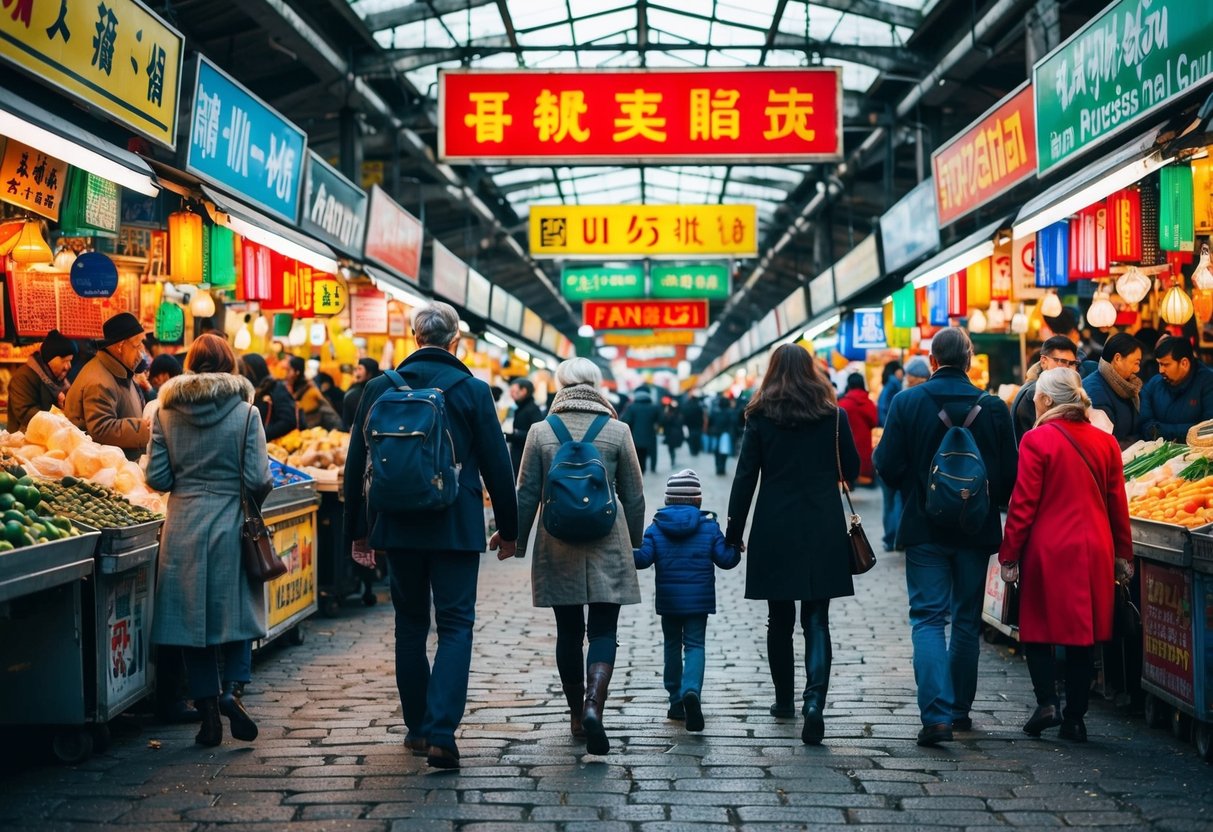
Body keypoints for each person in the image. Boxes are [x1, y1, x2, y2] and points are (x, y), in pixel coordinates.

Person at [343, 302, 519, 770]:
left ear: (415, 338)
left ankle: (417, 729)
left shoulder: (379, 387)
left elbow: (355, 466)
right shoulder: (473, 390)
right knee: (456, 625)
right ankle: (443, 732)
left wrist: (359, 531)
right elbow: (499, 466)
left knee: (410, 625)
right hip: (455, 525)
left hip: (397, 525)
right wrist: (510, 529)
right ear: (455, 341)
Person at [872, 327, 1017, 747]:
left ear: (932, 361)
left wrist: (917, 492)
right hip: (976, 531)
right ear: (969, 359)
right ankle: (959, 712)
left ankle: (935, 717)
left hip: (924, 529)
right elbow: (1009, 475)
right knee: (967, 621)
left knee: (928, 618)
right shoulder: (993, 408)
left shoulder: (906, 402)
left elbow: (886, 465)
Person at [725, 344, 860, 746]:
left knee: (778, 619)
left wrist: (734, 533)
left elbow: (745, 477)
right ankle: (814, 701)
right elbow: (850, 468)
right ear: (813, 372)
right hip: (822, 523)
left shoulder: (759, 416)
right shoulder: (834, 416)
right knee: (817, 619)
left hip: (774, 524)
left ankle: (784, 701)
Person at [145, 333, 273, 748]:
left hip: (182, 526)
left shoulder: (165, 412)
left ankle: (207, 718)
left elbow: (157, 478)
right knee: (237, 616)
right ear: (229, 364)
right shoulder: (246, 412)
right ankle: (232, 693)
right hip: (231, 524)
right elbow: (257, 479)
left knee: (190, 622)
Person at [512, 357, 645, 755]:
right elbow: (634, 494)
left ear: (560, 385)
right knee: (604, 631)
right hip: (609, 538)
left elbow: (526, 493)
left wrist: (516, 542)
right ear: (596, 385)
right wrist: (633, 543)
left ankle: (575, 715)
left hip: (557, 540)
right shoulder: (617, 430)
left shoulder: (540, 431)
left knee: (569, 631)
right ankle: (594, 706)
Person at [998, 368, 1133, 743]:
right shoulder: (1105, 443)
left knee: (1038, 630)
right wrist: (1124, 553)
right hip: (1094, 549)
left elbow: (1023, 505)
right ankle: (1075, 717)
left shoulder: (1036, 440)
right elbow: (1116, 504)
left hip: (1049, 549)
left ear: (1046, 400)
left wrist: (1009, 554)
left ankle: (1047, 704)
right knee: (1082, 635)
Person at [634, 468, 739, 732]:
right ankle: (691, 690)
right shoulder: (709, 526)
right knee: (694, 645)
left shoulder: (656, 527)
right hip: (698, 602)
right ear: (698, 500)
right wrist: (735, 547)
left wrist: (626, 546)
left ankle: (675, 701)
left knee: (671, 645)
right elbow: (726, 561)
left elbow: (642, 559)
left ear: (668, 500)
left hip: (669, 602)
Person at [64, 312, 152, 461]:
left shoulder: (120, 370)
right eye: (137, 345)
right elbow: (101, 428)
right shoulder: (99, 382)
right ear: (120, 346)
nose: (141, 352)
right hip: (104, 471)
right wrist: (144, 429)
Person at [1140, 335, 1213, 441]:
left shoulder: (1208, 383)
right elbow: (1145, 425)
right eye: (1159, 364)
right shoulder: (1153, 384)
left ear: (1184, 363)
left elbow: (1207, 430)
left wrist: (1161, 430)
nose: (1161, 370)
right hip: (1157, 452)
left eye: (1166, 365)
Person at [1011, 335, 1080, 444]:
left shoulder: (1042, 388)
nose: (1067, 369)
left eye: (1072, 364)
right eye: (1061, 361)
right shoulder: (1035, 394)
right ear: (1043, 361)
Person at [7, 330, 76, 432]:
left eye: (70, 361)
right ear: (51, 359)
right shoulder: (23, 377)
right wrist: (60, 417)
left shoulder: (59, 378)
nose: (68, 366)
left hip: (51, 435)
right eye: (65, 361)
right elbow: (25, 413)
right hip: (23, 439)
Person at [1082, 333, 1144, 447]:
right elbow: (1103, 442)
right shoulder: (1094, 391)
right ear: (1117, 359)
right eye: (1136, 363)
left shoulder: (1126, 385)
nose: (1137, 369)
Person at [240, 354, 301, 441]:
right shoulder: (252, 390)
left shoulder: (275, 388)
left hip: (272, 446)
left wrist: (260, 435)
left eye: (243, 370)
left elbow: (288, 421)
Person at [839, 373, 878, 486]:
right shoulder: (868, 403)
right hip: (865, 444)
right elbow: (874, 422)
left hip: (848, 444)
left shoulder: (843, 403)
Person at [286, 357, 343, 430]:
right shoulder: (289, 387)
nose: (286, 373)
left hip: (311, 432)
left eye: (289, 370)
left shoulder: (310, 390)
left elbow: (328, 412)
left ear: (297, 372)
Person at [506, 377, 543, 478]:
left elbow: (537, 435)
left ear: (523, 391)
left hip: (526, 457)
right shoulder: (521, 408)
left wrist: (514, 434)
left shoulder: (532, 410)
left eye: (513, 391)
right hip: (520, 455)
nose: (511, 394)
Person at [622, 387, 660, 474]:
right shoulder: (654, 407)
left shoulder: (632, 407)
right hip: (651, 435)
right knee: (653, 453)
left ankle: (641, 470)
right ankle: (653, 468)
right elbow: (660, 420)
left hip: (636, 436)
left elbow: (626, 421)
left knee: (639, 454)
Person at [342, 358, 382, 431]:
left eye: (360, 369)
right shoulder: (351, 393)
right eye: (356, 369)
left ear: (370, 372)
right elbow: (346, 423)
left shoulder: (380, 392)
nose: (356, 372)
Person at [876, 361, 903, 427]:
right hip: (889, 421)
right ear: (896, 371)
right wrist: (886, 425)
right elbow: (883, 405)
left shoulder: (891, 382)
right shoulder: (893, 382)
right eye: (901, 370)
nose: (902, 374)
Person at [661, 399, 685, 469]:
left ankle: (673, 459)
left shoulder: (668, 414)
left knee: (671, 448)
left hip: (670, 434)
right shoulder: (680, 415)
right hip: (677, 433)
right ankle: (673, 459)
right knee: (672, 448)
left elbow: (663, 422)